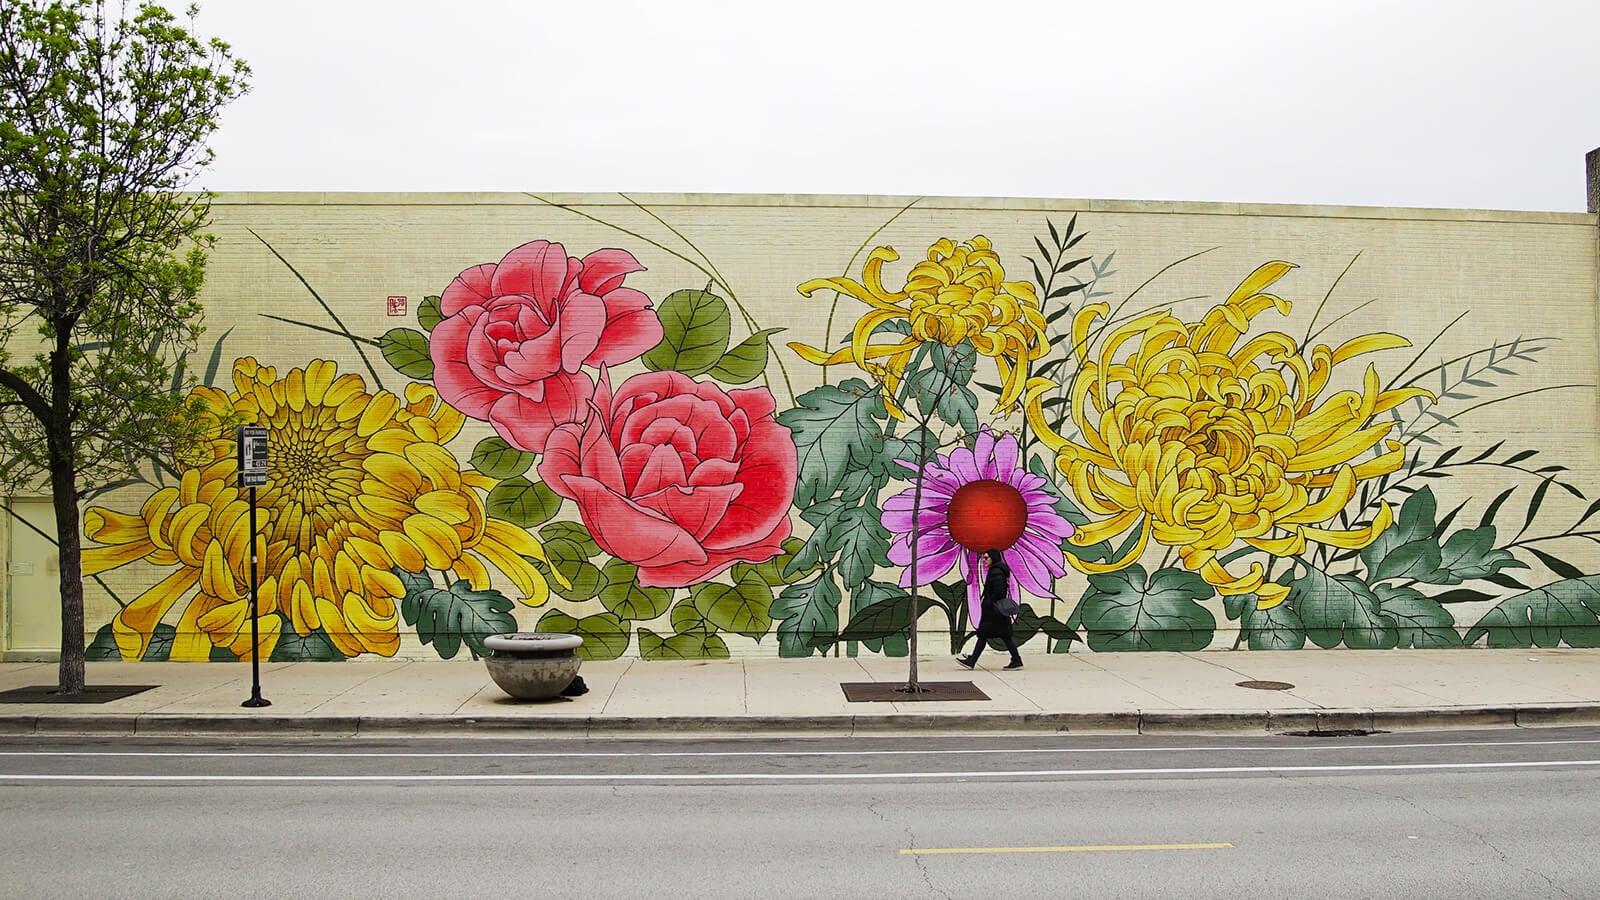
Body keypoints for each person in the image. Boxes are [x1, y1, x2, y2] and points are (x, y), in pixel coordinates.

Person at [957, 549, 1023, 670]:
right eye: (983, 558)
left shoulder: (996, 572)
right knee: (1001, 636)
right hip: (995, 611)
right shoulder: (997, 571)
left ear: (993, 558)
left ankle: (972, 660)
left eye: (986, 558)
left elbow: (999, 591)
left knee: (985, 635)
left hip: (993, 612)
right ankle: (1016, 659)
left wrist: (988, 601)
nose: (984, 560)